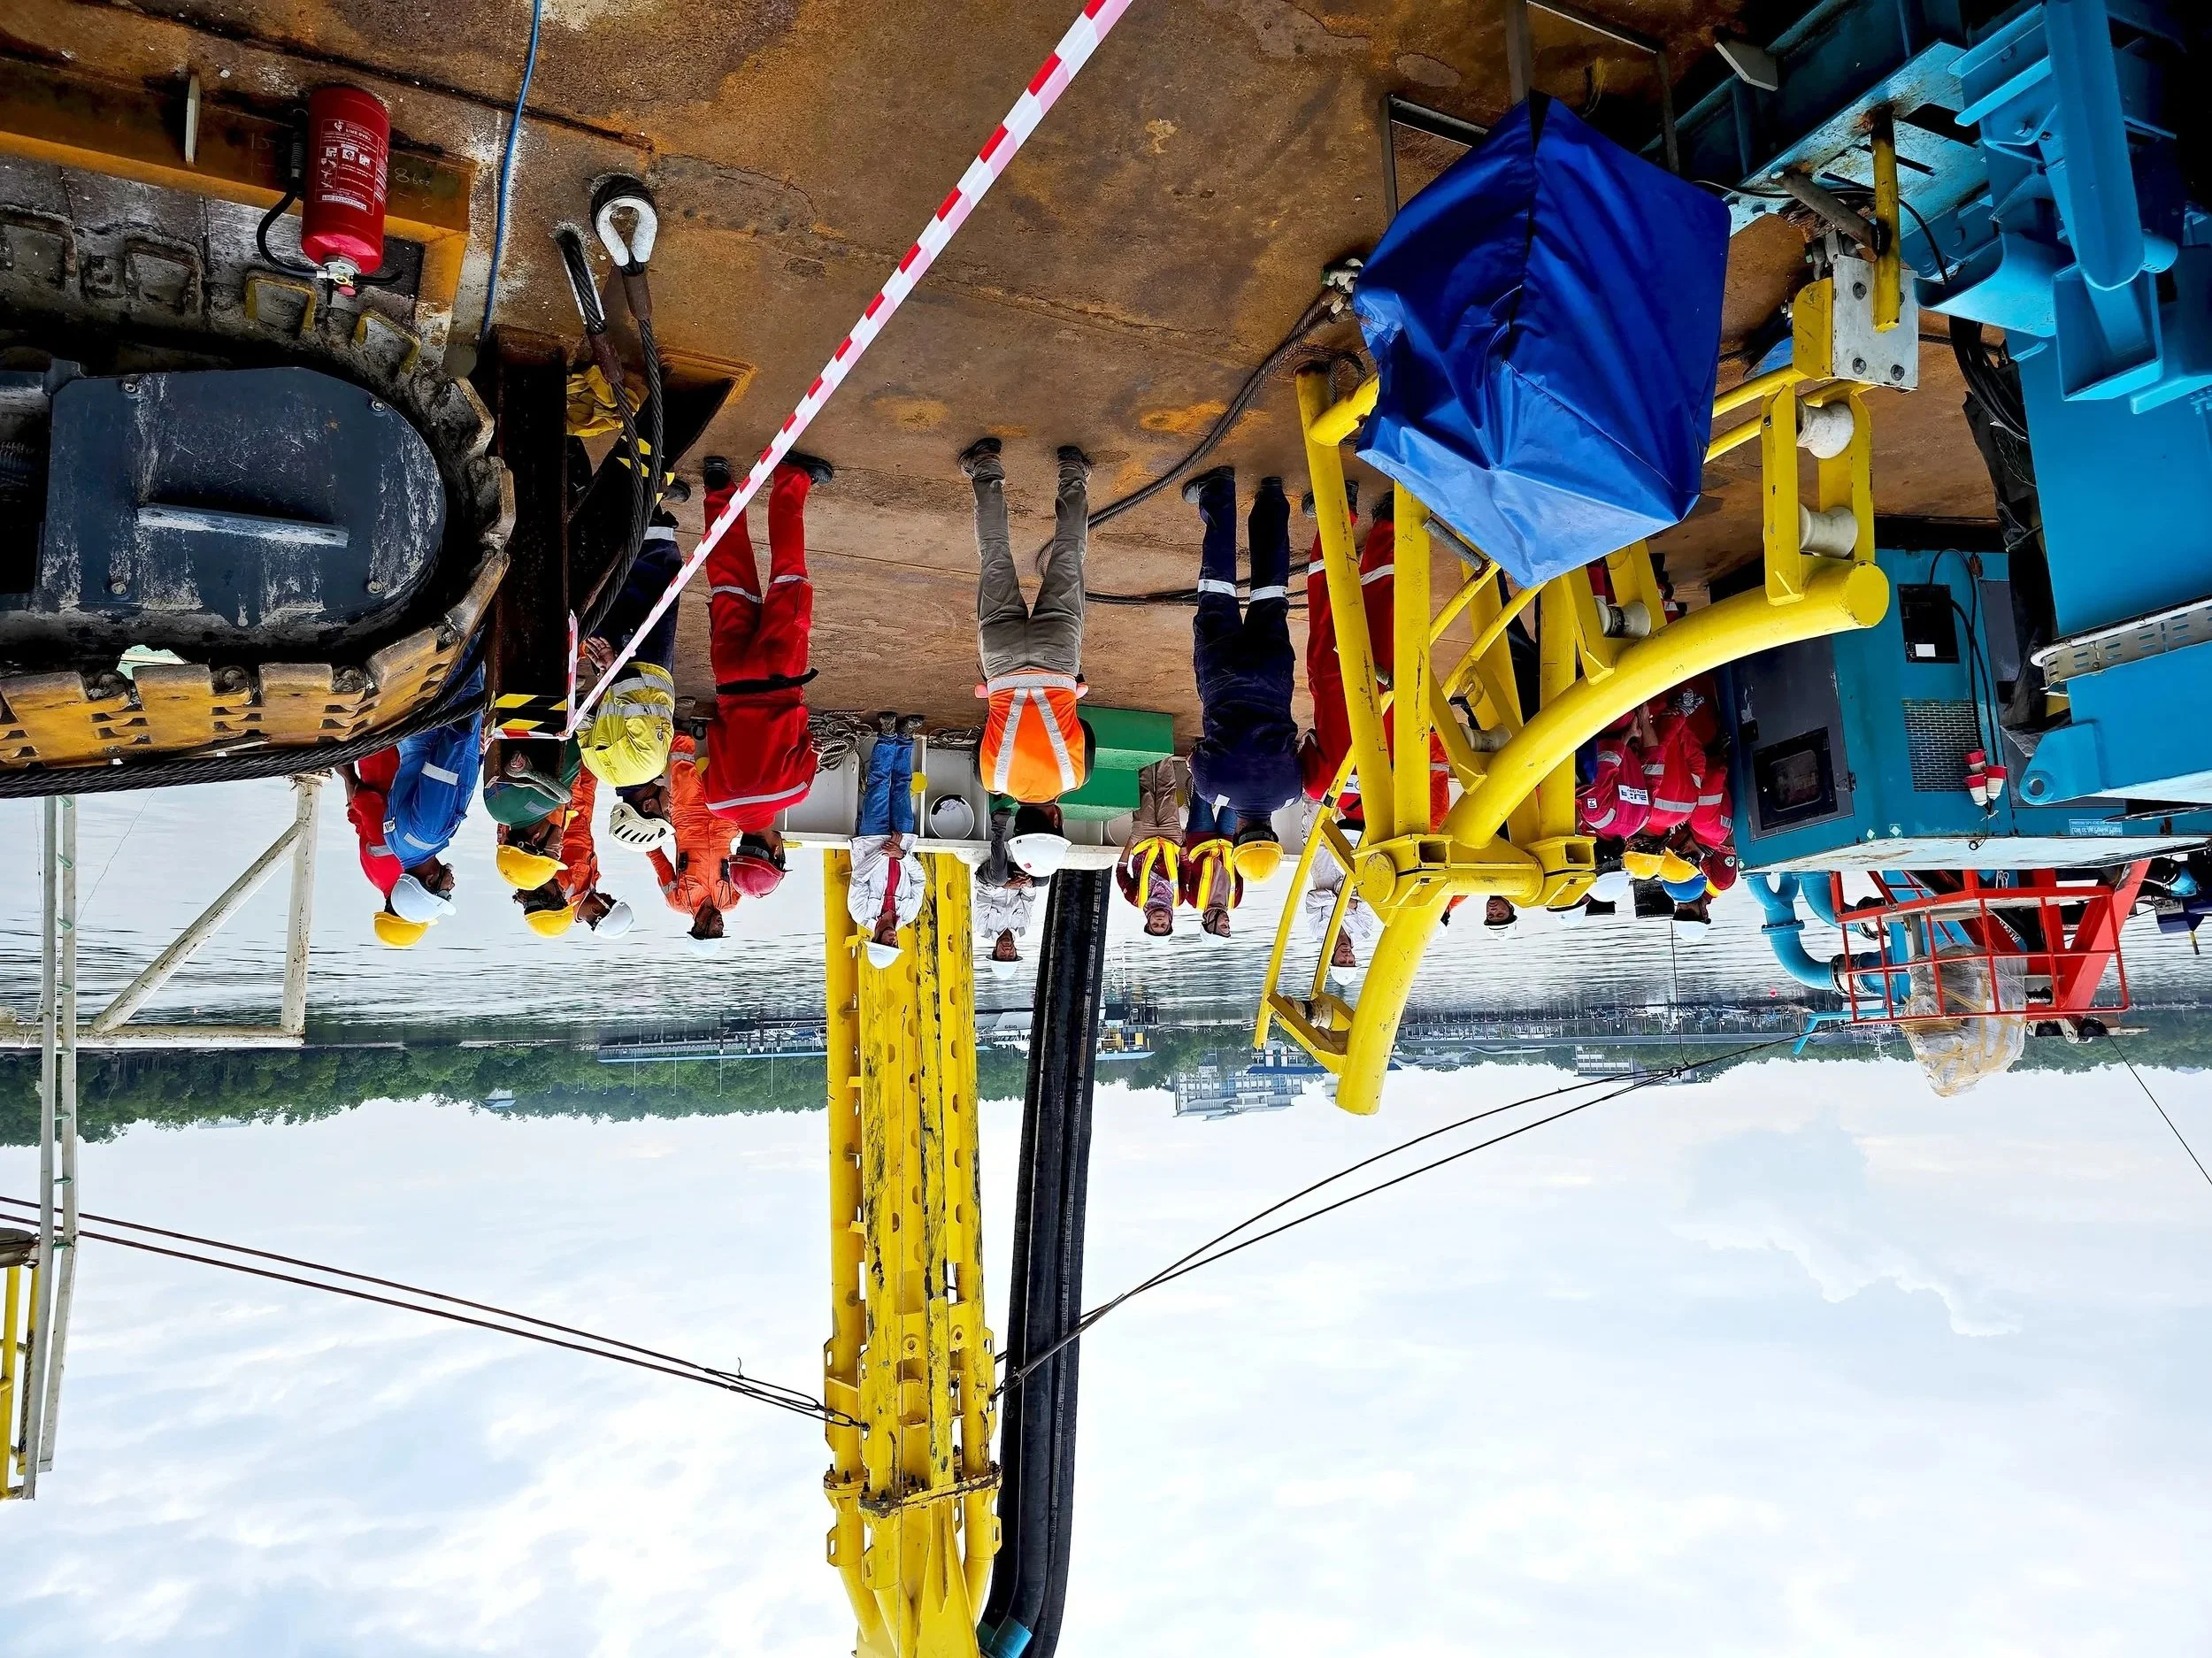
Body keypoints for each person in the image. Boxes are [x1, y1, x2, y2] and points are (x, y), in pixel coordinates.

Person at [1298, 486, 1449, 825]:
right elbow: (1309, 741)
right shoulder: (1324, 789)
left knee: (1383, 598)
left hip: (1392, 684)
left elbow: (1431, 745)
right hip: (1335, 679)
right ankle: (1338, 507)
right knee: (1328, 596)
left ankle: (1389, 521)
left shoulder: (1403, 792)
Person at [703, 451, 832, 841]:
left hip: (779, 675)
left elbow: (810, 743)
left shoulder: (794, 792)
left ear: (774, 850)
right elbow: (711, 736)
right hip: (729, 679)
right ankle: (717, 486)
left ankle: (792, 479)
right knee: (729, 581)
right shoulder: (714, 802)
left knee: (789, 577)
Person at [961, 437, 1094, 803]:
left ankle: (1072, 470)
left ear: (1057, 818)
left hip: (1058, 658)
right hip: (1001, 663)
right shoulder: (991, 779)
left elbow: (1083, 727)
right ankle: (985, 465)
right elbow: (987, 730)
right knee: (994, 555)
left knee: (1068, 556)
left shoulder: (1075, 777)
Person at [1184, 464, 1298, 883]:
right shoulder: (1212, 789)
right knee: (1217, 589)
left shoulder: (1292, 792)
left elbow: (1299, 745)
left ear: (1273, 837)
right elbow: (1196, 755)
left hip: (1273, 675)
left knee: (1271, 595)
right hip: (1222, 675)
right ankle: (1218, 493)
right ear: (1237, 837)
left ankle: (1272, 498)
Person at [577, 509, 681, 797]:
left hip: (645, 666)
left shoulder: (649, 767)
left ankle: (650, 510)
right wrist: (605, 672)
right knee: (620, 592)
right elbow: (584, 718)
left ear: (648, 804)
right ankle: (626, 514)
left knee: (656, 583)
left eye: (665, 809)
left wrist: (614, 670)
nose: (670, 804)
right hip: (610, 664)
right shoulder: (599, 770)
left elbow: (639, 709)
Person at [382, 674, 484, 930]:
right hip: (414, 727)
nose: (452, 887)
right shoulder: (396, 843)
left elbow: (442, 768)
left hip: (443, 713)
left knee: (465, 654)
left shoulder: (428, 835)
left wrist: (469, 721)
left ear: (430, 881)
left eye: (445, 893)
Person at [848, 718, 927, 968]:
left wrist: (886, 852)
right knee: (902, 787)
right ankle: (905, 738)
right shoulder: (909, 914)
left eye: (887, 944)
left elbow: (859, 876)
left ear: (875, 939)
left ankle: (887, 735)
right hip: (902, 841)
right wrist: (901, 855)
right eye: (895, 944)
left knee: (879, 784)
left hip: (872, 838)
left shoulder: (860, 913)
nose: (893, 940)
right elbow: (919, 880)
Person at [1116, 756, 1187, 937]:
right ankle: (1162, 753)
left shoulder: (1136, 899)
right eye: (1163, 925)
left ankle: (1145, 753)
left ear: (1148, 922)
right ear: (1170, 922)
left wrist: (1130, 844)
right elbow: (1185, 869)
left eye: (1155, 924)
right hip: (1171, 838)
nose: (1159, 920)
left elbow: (1121, 872)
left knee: (1144, 792)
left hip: (1143, 839)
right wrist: (1183, 846)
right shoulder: (1179, 898)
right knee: (1168, 791)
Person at [1180, 795, 1245, 938]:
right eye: (1228, 925)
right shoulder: (1235, 901)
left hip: (1200, 839)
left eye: (1223, 925)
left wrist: (1183, 851)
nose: (1227, 922)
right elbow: (1241, 870)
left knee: (1202, 795)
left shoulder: (1194, 900)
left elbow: (1185, 871)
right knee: (1236, 798)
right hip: (1228, 840)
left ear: (1210, 924)